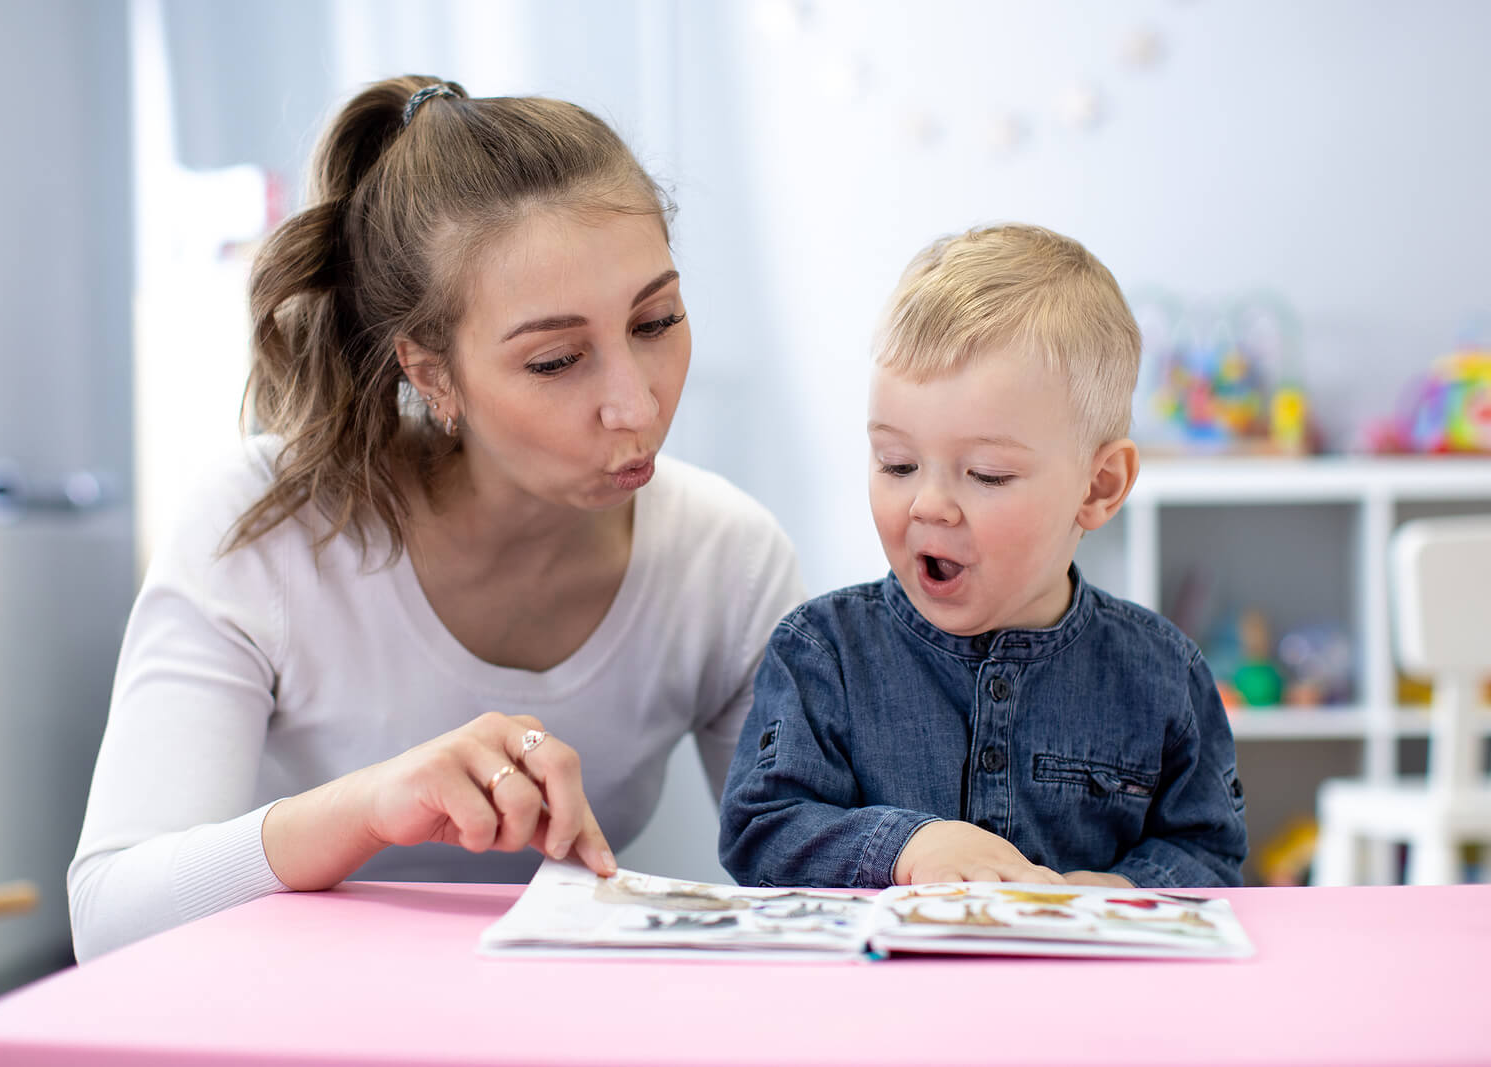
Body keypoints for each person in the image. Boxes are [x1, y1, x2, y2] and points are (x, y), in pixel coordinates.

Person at [68, 76, 804, 961]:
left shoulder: (727, 558)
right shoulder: (263, 528)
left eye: (657, 321)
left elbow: (798, 886)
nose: (634, 403)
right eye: (557, 359)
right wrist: (371, 805)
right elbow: (107, 917)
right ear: (431, 372)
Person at [719, 223, 1247, 890]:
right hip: (880, 994)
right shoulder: (822, 653)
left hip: (1084, 993)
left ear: (1099, 486)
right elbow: (760, 831)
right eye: (898, 462)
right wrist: (908, 847)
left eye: (988, 474)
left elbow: (1209, 850)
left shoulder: (1162, 674)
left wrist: (1120, 892)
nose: (929, 504)